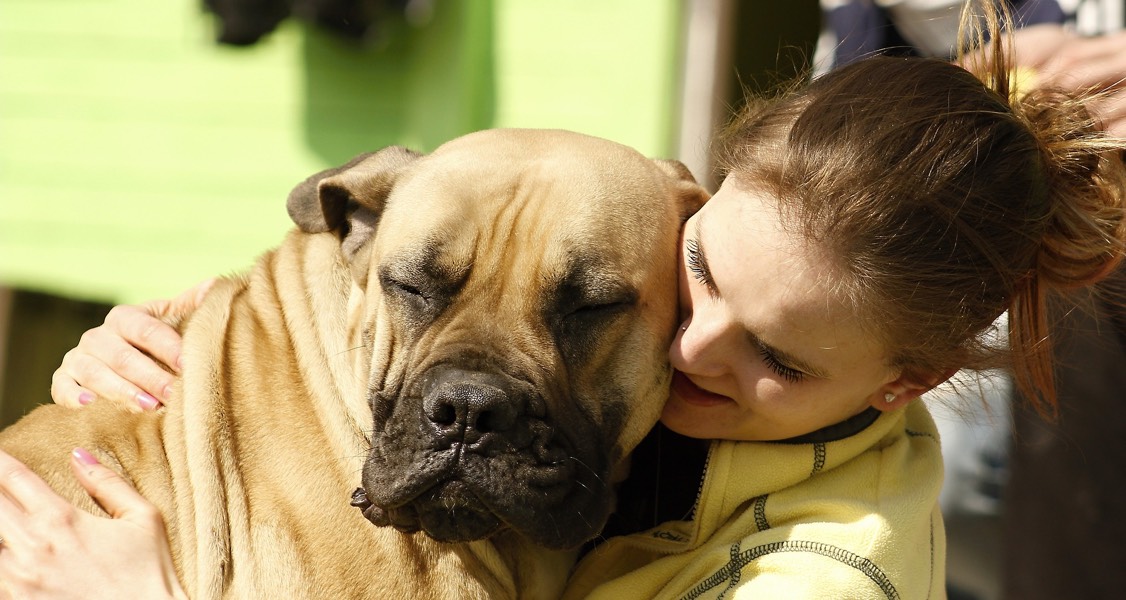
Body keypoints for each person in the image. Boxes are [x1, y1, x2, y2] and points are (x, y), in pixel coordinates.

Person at [3, 2, 1125, 597]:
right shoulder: (276, 331)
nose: (698, 353)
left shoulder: (827, 568)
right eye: (696, 283)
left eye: (581, 310)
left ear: (903, 383)